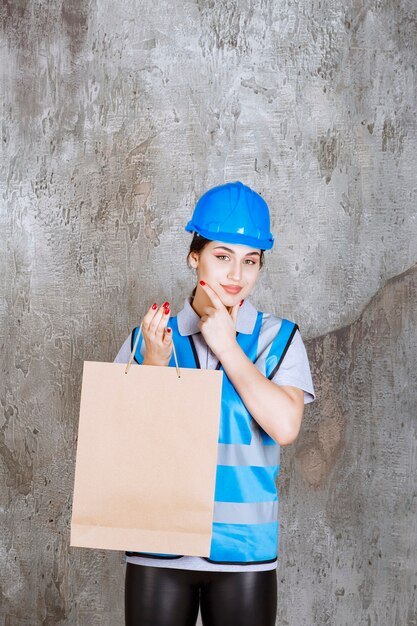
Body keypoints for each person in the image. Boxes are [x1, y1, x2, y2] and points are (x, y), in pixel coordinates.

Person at [113, 181, 316, 626]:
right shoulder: (151, 336)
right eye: (222, 256)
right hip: (158, 547)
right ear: (194, 256)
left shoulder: (278, 339)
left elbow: (285, 427)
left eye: (250, 261)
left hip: (244, 551)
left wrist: (229, 349)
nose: (235, 276)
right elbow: (124, 444)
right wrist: (153, 366)